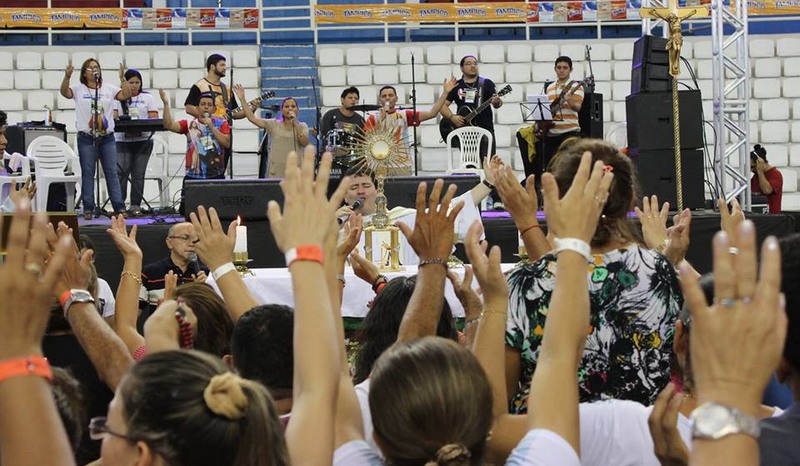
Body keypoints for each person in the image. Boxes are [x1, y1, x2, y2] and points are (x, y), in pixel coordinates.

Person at [505, 139, 681, 412]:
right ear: (630, 198)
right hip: (644, 444)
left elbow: (497, 402)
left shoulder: (525, 284)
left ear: (557, 200)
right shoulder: (662, 272)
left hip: (552, 443)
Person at [336, 157, 499, 265]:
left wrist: (488, 184)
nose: (361, 192)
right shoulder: (335, 227)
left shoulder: (401, 219)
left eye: (366, 186)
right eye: (354, 187)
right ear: (344, 195)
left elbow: (451, 210)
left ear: (379, 190)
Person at [60, 58, 131, 219]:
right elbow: (64, 92)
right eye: (91, 68)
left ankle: (119, 207)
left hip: (107, 137)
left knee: (111, 172)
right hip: (87, 137)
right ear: (84, 73)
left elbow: (126, 94)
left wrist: (122, 79)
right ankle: (88, 208)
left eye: (96, 67)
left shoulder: (109, 89)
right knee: (88, 173)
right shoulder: (79, 89)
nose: (94, 70)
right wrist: (67, 77)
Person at [363, 79, 457, 175]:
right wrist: (381, 120)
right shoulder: (373, 117)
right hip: (379, 164)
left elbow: (431, 113)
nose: (387, 98)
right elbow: (367, 138)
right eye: (384, 96)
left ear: (396, 98)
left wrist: (445, 93)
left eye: (391, 95)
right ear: (380, 100)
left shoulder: (404, 115)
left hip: (401, 164)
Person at [161, 89, 230, 207]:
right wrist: (166, 104)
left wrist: (212, 127)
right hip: (193, 175)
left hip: (215, 174)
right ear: (197, 108)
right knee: (188, 210)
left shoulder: (221, 123)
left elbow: (227, 143)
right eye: (203, 104)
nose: (206, 107)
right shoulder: (189, 124)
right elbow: (169, 125)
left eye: (209, 105)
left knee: (215, 210)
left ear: (214, 109)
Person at [234, 85, 309, 178]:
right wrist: (242, 99)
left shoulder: (302, 126)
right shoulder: (274, 124)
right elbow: (252, 118)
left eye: (293, 106)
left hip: (295, 173)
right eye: (286, 106)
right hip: (276, 172)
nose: (290, 108)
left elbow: (304, 143)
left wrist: (295, 123)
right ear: (281, 110)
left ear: (297, 109)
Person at [113, 67, 159, 216]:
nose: (134, 85)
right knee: (122, 172)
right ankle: (119, 205)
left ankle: (135, 205)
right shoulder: (117, 98)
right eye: (131, 82)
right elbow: (113, 118)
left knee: (138, 174)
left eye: (137, 82)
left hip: (143, 140)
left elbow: (154, 119)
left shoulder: (148, 98)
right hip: (122, 141)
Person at [440, 55, 504, 158]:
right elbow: (442, 106)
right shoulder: (456, 86)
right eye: (468, 63)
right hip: (465, 131)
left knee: (488, 163)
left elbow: (497, 104)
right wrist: (452, 117)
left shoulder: (486, 83)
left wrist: (497, 102)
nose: (473, 66)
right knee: (470, 165)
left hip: (485, 129)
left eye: (475, 63)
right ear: (461, 68)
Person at [140, 221, 208, 313]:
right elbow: (132, 314)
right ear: (169, 242)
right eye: (185, 238)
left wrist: (206, 291)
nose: (192, 243)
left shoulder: (205, 273)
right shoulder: (151, 272)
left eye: (195, 240)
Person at [536, 56, 584, 181]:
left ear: (570, 70)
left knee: (570, 169)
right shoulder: (550, 88)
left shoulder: (576, 86)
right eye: (559, 68)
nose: (562, 70)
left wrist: (569, 99)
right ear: (555, 69)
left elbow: (577, 107)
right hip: (551, 134)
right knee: (551, 170)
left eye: (565, 68)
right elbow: (547, 110)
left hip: (570, 133)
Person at [184, 53, 243, 120]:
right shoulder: (199, 86)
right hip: (205, 128)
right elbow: (189, 108)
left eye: (225, 65)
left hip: (224, 129)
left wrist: (252, 108)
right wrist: (210, 118)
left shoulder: (227, 89)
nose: (225, 68)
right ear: (212, 67)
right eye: (222, 65)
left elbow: (235, 113)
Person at [750, 143, 783, 214]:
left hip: (772, 217)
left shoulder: (775, 174)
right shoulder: (755, 176)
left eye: (753, 167)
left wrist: (760, 172)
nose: (751, 170)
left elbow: (767, 190)